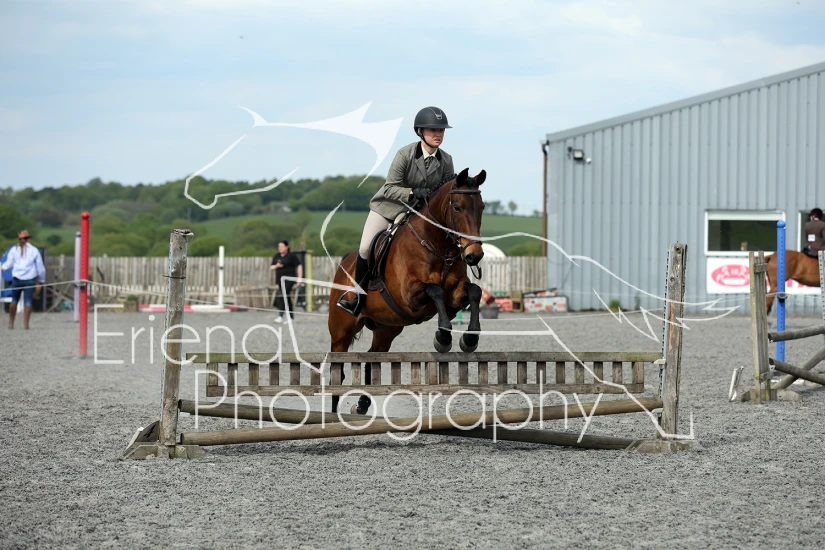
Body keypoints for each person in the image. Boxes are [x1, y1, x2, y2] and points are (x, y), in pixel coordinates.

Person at [337, 106, 456, 316]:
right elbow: (390, 188)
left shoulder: (446, 160)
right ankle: (358, 298)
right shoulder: (405, 154)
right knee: (365, 248)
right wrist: (412, 192)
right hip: (388, 207)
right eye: (433, 130)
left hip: (418, 213)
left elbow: (446, 193)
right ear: (420, 131)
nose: (438, 134)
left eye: (441, 130)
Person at [1, 230, 46, 330]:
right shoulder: (34, 250)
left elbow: (8, 264)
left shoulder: (14, 250)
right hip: (30, 279)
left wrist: (2, 268)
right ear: (29, 239)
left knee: (14, 300)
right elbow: (40, 267)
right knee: (28, 301)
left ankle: (11, 323)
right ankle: (26, 324)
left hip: (17, 279)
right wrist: (41, 279)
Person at [270, 240, 303, 323]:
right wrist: (277, 266)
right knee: (286, 297)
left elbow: (299, 265)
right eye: (279, 246)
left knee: (284, 295)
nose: (280, 248)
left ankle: (280, 316)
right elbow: (271, 267)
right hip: (280, 280)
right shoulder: (277, 256)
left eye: (282, 246)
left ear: (286, 247)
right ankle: (291, 317)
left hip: (289, 279)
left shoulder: (291, 256)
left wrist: (299, 278)